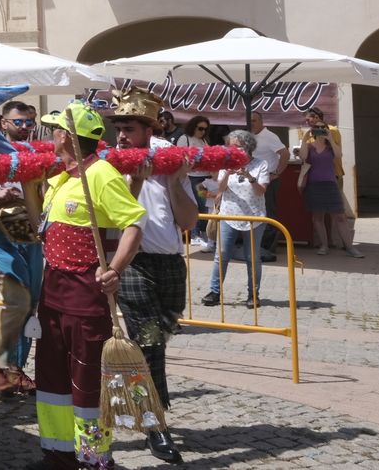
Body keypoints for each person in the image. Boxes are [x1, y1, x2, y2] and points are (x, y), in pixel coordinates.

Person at [31, 101, 146, 470]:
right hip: (52, 296)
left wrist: (114, 268)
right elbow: (41, 230)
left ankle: (95, 458)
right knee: (51, 381)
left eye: (54, 130)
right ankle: (57, 453)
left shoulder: (100, 174)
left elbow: (133, 224)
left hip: (85, 298)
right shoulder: (62, 177)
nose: (51, 135)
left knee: (86, 384)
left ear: (66, 136)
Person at [109, 89, 192, 465]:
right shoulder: (110, 163)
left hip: (171, 262)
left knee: (159, 339)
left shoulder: (168, 157)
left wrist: (174, 182)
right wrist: (138, 183)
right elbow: (117, 217)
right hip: (135, 263)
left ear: (148, 129)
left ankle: (146, 411)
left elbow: (189, 221)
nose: (122, 135)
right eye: (119, 128)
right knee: (149, 343)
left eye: (128, 128)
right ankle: (156, 425)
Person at [0, 100, 42, 400]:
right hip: (1, 233)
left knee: (30, 306)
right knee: (17, 302)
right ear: (3, 123)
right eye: (20, 122)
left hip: (31, 235)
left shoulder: (36, 153)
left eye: (31, 122)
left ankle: (15, 369)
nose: (26, 128)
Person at [205, 130, 272, 308]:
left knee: (252, 257)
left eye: (236, 146)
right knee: (222, 255)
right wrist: (227, 173)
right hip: (229, 214)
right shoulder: (225, 164)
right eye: (230, 146)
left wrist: (249, 177)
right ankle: (214, 292)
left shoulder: (261, 164)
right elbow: (220, 188)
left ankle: (253, 294)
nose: (232, 150)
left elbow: (261, 191)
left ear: (247, 147)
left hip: (254, 217)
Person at [297, 128, 362, 258]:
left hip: (330, 184)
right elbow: (303, 157)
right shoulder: (309, 146)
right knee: (318, 217)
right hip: (314, 184)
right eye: (317, 129)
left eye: (323, 128)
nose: (320, 131)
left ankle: (350, 247)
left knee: (340, 216)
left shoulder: (331, 147)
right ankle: (324, 245)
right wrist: (305, 138)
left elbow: (338, 155)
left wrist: (330, 139)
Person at [246, 112, 289, 259]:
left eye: (255, 120)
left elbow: (285, 154)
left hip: (268, 180)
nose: (252, 123)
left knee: (268, 212)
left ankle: (267, 248)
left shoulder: (269, 136)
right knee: (256, 211)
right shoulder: (250, 136)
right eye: (250, 120)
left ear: (261, 121)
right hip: (254, 180)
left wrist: (276, 173)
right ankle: (257, 246)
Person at [179, 115, 214, 252]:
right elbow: (181, 157)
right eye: (200, 128)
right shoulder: (185, 139)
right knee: (198, 204)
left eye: (205, 129)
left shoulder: (204, 140)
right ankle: (195, 235)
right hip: (193, 178)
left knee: (205, 206)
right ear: (193, 127)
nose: (203, 132)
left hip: (205, 177)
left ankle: (202, 233)